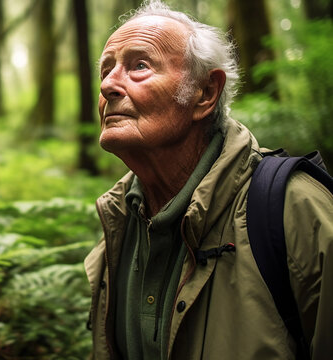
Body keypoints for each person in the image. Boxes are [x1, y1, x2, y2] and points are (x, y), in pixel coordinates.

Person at [84, 1, 333, 359]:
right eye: (106, 71)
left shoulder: (296, 212)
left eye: (139, 66)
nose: (108, 85)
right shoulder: (117, 226)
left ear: (204, 93)